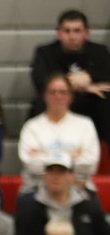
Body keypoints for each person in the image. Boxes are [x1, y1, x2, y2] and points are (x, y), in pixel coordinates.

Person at [29, 9, 110, 143]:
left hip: (90, 103)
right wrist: (82, 86)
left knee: (106, 99)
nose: (72, 36)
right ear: (59, 33)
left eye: (77, 31)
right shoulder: (45, 52)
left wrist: (88, 77)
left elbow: (106, 77)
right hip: (60, 99)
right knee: (40, 102)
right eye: (67, 31)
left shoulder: (99, 51)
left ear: (86, 33)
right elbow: (40, 81)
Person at [18, 73, 100, 193]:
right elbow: (31, 165)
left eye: (63, 92)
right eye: (53, 92)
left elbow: (90, 164)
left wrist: (44, 154)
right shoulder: (31, 127)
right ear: (45, 96)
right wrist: (71, 156)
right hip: (38, 190)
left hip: (79, 188)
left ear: (70, 96)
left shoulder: (85, 124)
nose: (58, 96)